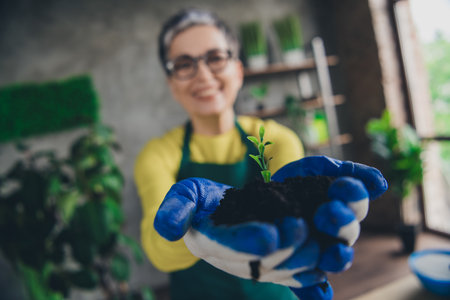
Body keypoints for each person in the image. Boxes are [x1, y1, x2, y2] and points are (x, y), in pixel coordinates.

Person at [134, 8, 387, 300]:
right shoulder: (158, 154)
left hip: (275, 289)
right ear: (172, 84)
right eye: (183, 64)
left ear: (238, 70)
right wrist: (193, 230)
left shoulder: (277, 139)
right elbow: (158, 251)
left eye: (215, 58)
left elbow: (292, 209)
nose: (202, 74)